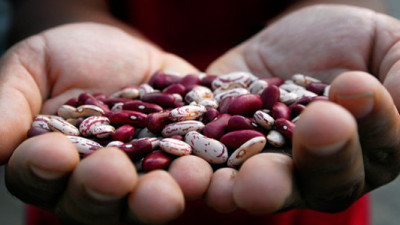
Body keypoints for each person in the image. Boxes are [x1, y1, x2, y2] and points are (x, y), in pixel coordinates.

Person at [2, 0, 400, 224]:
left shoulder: (277, 107)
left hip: (304, 187)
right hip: (90, 194)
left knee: (325, 139)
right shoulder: (138, 116)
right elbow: (46, 6)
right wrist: (57, 33)